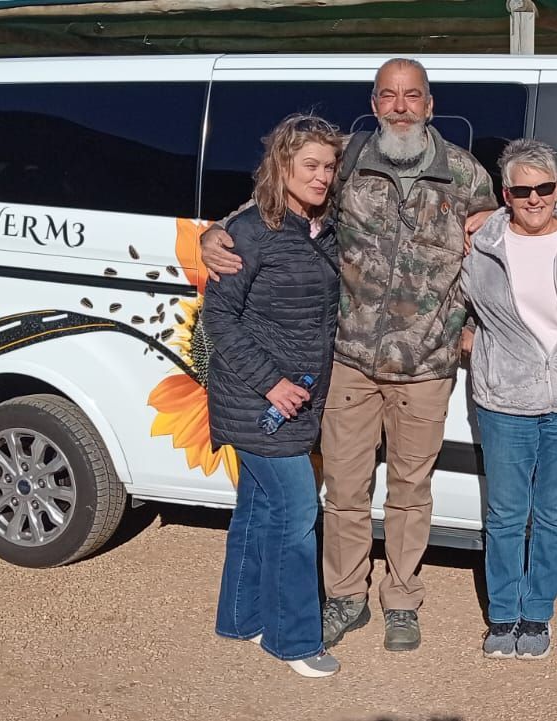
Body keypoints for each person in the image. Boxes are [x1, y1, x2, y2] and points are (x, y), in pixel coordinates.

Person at [199, 58, 496, 653]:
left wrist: (471, 326)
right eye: (388, 95)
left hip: (427, 366)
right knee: (345, 489)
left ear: (431, 104)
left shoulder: (466, 175)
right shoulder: (350, 159)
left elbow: (500, 246)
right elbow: (279, 200)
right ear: (374, 102)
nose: (401, 106)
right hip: (350, 361)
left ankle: (403, 601)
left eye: (413, 95)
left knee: (412, 491)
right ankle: (344, 597)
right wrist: (216, 231)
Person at [204, 114, 344, 678]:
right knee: (296, 512)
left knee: (258, 509)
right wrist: (271, 382)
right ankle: (293, 642)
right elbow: (220, 319)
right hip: (259, 401)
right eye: (309, 165)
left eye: (329, 167)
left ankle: (241, 617)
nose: (322, 177)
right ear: (281, 166)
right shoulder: (251, 232)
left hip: (295, 399)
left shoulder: (320, 227)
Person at [460, 139, 557, 662]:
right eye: (522, 189)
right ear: (505, 193)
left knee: (555, 512)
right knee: (507, 512)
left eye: (545, 187)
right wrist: (466, 339)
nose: (535, 198)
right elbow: (446, 296)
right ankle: (503, 613)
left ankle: (537, 612)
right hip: (505, 397)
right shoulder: (480, 242)